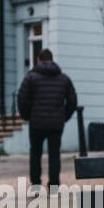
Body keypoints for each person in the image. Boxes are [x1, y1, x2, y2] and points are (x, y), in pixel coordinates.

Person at [16, 48, 77, 189]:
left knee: (35, 153)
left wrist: (27, 116)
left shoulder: (31, 78)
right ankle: (54, 185)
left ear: (38, 60)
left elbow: (21, 98)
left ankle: (36, 184)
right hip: (56, 123)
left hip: (36, 122)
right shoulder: (64, 78)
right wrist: (63, 116)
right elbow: (72, 101)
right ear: (52, 59)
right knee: (54, 154)